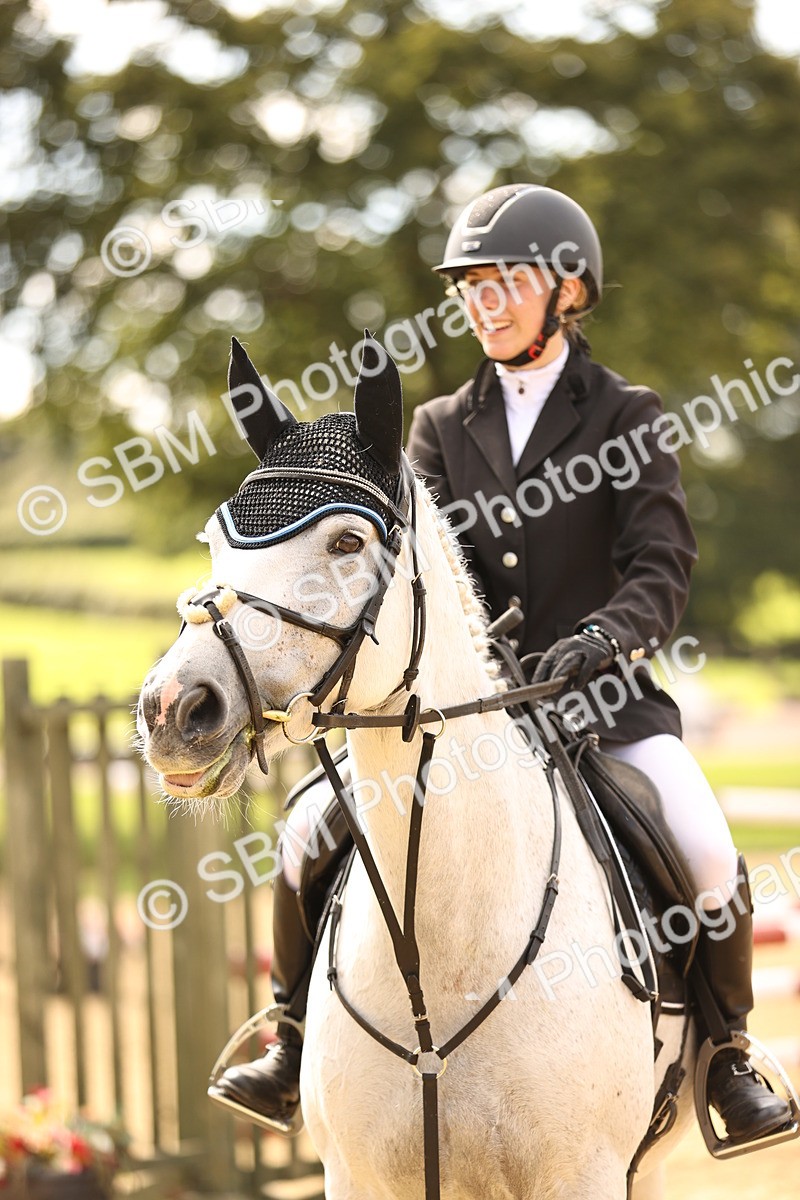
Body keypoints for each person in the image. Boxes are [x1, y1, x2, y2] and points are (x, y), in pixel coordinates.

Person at [209, 183, 792, 1146]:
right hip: (461, 713)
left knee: (705, 849)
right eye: (472, 285)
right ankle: (291, 1033)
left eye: (506, 281)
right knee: (307, 830)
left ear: (568, 291)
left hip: (604, 704)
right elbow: (417, 577)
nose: (485, 301)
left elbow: (662, 565)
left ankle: (728, 1054)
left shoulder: (626, 415)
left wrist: (606, 640)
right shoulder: (436, 426)